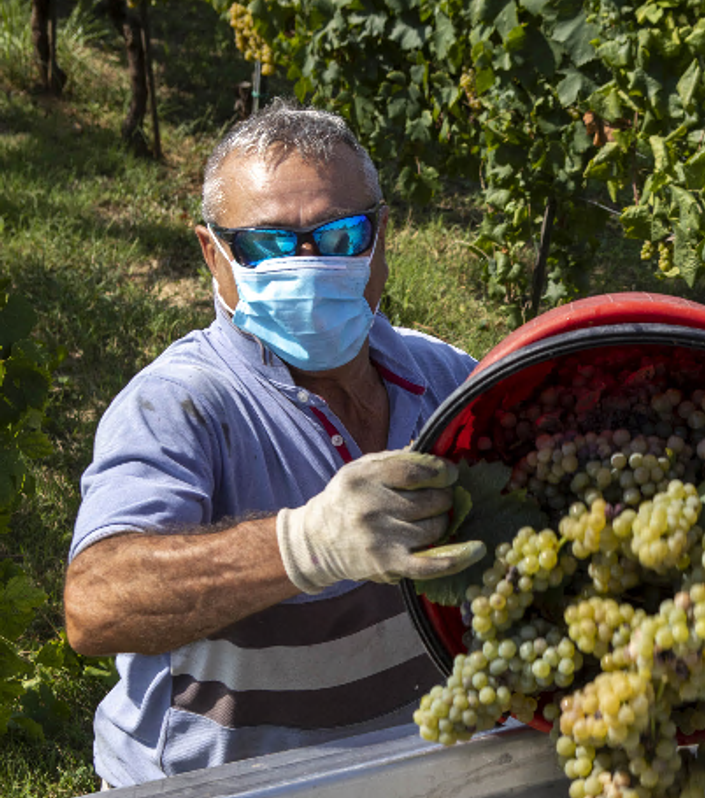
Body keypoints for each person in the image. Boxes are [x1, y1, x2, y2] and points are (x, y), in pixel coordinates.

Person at [63, 99, 485, 788]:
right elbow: (96, 606)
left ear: (382, 237)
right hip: (221, 786)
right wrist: (305, 545)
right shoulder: (181, 403)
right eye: (268, 244)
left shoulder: (446, 378)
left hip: (415, 770)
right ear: (214, 254)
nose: (308, 264)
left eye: (340, 234)